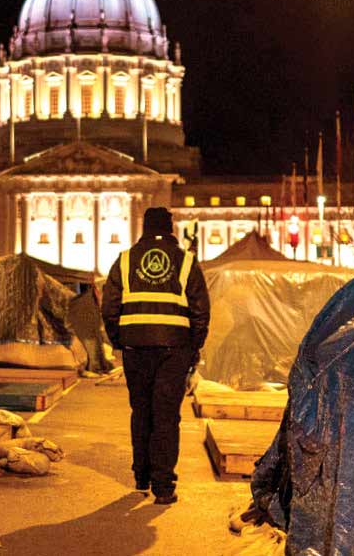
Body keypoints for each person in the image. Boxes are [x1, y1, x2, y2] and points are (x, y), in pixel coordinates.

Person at [101, 206, 210, 504]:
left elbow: (109, 307)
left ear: (144, 228)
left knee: (141, 411)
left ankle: (142, 477)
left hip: (136, 348)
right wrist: (193, 348)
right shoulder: (186, 261)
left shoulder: (124, 260)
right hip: (175, 350)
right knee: (166, 416)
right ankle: (164, 487)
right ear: (171, 228)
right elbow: (200, 311)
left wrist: (119, 340)